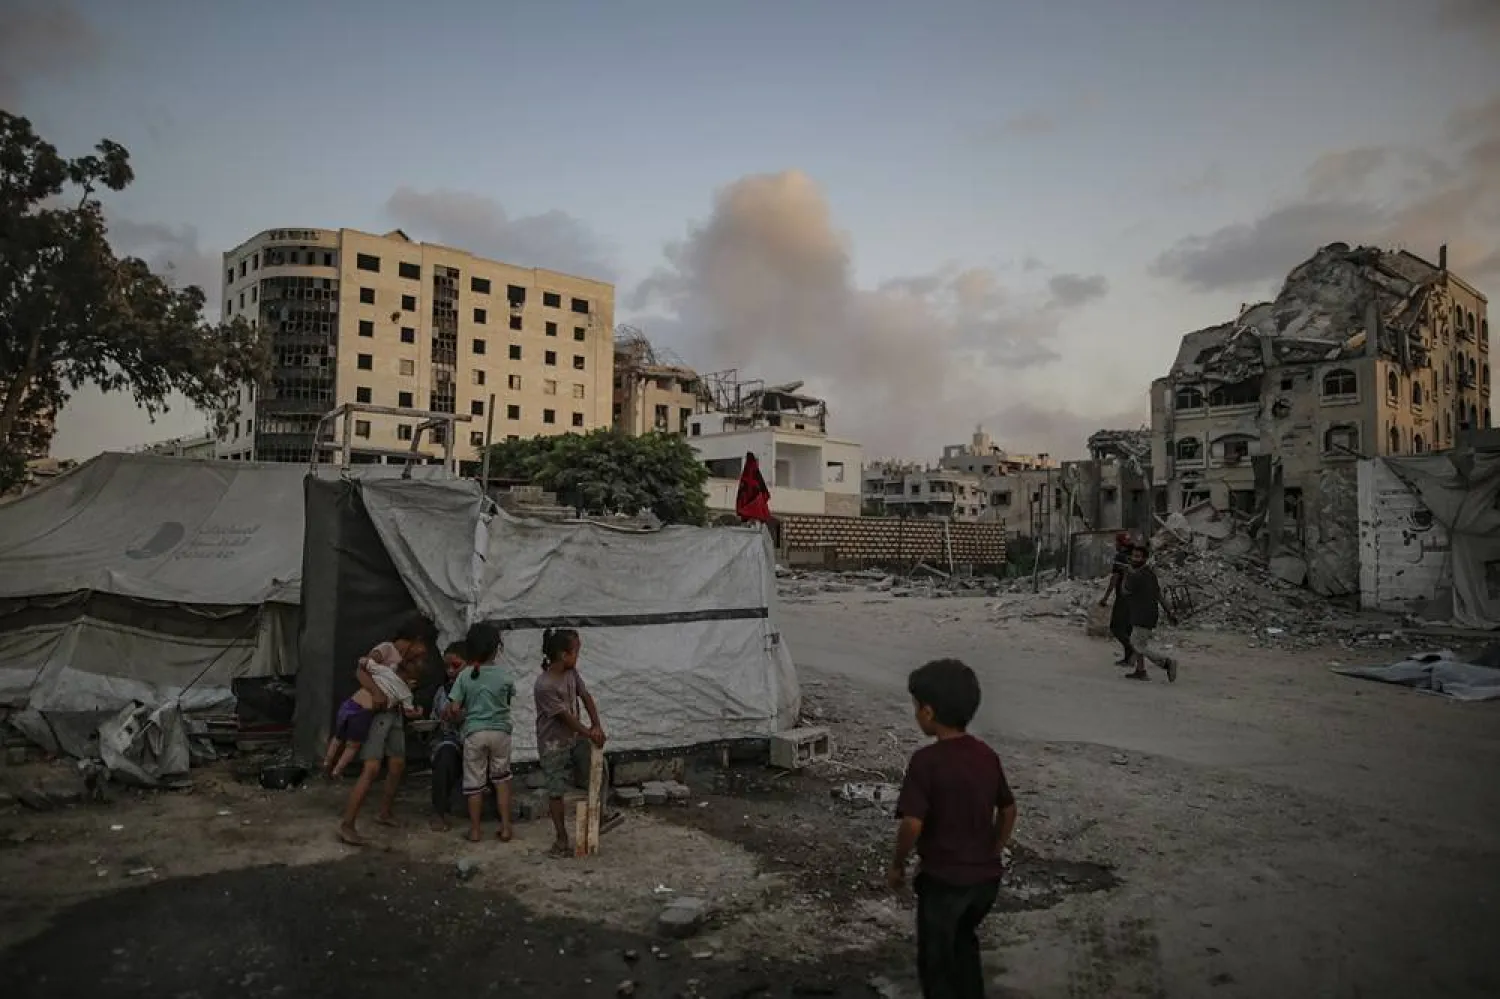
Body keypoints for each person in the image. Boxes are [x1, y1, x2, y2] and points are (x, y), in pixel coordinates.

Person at [888, 658, 1017, 999]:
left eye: (916, 707)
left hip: (944, 883)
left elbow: (912, 824)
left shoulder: (926, 762)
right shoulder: (986, 755)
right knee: (964, 945)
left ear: (928, 713)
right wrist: (995, 848)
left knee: (937, 962)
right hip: (985, 883)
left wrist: (898, 863)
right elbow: (1008, 808)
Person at [338, 612, 437, 846]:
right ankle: (347, 824)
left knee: (397, 763)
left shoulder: (403, 659)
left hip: (393, 717)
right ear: (417, 639)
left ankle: (384, 812)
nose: (424, 653)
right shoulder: (385, 649)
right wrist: (376, 692)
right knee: (371, 768)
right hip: (376, 716)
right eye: (424, 646)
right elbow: (361, 671)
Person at [534, 627, 620, 857]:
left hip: (575, 737)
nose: (578, 656)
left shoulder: (571, 674)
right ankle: (561, 839)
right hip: (553, 743)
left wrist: (596, 725)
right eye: (576, 652)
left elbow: (586, 696)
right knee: (556, 790)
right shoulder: (544, 685)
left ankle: (599, 816)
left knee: (599, 770)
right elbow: (565, 717)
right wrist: (589, 732)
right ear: (564, 655)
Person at [444, 622, 516, 843]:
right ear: (496, 649)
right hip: (500, 733)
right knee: (501, 779)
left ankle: (475, 830)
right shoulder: (504, 675)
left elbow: (454, 708)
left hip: (475, 733)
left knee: (474, 783)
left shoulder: (465, 676)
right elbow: (507, 700)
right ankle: (505, 827)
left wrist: (454, 713)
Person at [322, 650, 422, 778]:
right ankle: (337, 771)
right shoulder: (406, 693)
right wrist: (418, 713)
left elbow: (364, 661)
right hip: (363, 713)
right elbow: (409, 713)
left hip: (350, 704)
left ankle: (326, 763)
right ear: (412, 681)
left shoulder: (385, 671)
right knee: (352, 746)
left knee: (338, 738)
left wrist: (367, 661)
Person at [1120, 543, 1179, 682]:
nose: (1135, 559)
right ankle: (1140, 670)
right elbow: (1158, 595)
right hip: (1149, 614)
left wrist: (1125, 575)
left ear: (1144, 559)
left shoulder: (1136, 576)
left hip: (1141, 615)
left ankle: (1166, 663)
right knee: (1140, 642)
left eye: (1138, 557)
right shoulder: (1150, 574)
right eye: (1133, 556)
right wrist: (1169, 612)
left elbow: (1124, 591)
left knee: (1137, 644)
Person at [428, 640, 467, 831]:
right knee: (444, 755)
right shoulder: (441, 692)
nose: (451, 671)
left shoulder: (477, 689)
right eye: (447, 666)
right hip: (450, 741)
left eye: (456, 666)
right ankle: (438, 812)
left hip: (474, 741)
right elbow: (435, 719)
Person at [1097, 532, 1135, 666]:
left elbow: (1115, 578)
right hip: (1134, 597)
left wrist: (1106, 597)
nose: (1115, 545)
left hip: (1123, 597)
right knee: (1128, 629)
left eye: (1116, 542)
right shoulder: (1134, 556)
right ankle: (1129, 658)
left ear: (1119, 543)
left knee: (1116, 627)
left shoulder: (1120, 557)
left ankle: (1132, 651)